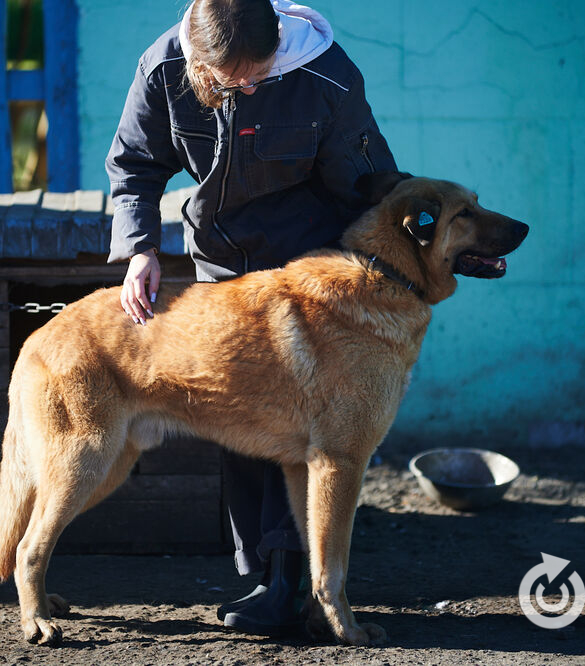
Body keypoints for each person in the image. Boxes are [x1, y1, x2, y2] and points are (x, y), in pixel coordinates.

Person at [105, 0, 396, 636]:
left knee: (307, 424)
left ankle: (293, 581)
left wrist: (390, 268)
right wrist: (138, 250)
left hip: (305, 273)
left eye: (258, 74)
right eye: (232, 78)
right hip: (222, 269)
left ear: (279, 47)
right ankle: (267, 572)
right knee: (238, 415)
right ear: (200, 58)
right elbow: (134, 164)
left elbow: (371, 181)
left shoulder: (326, 77)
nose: (248, 86)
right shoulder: (162, 69)